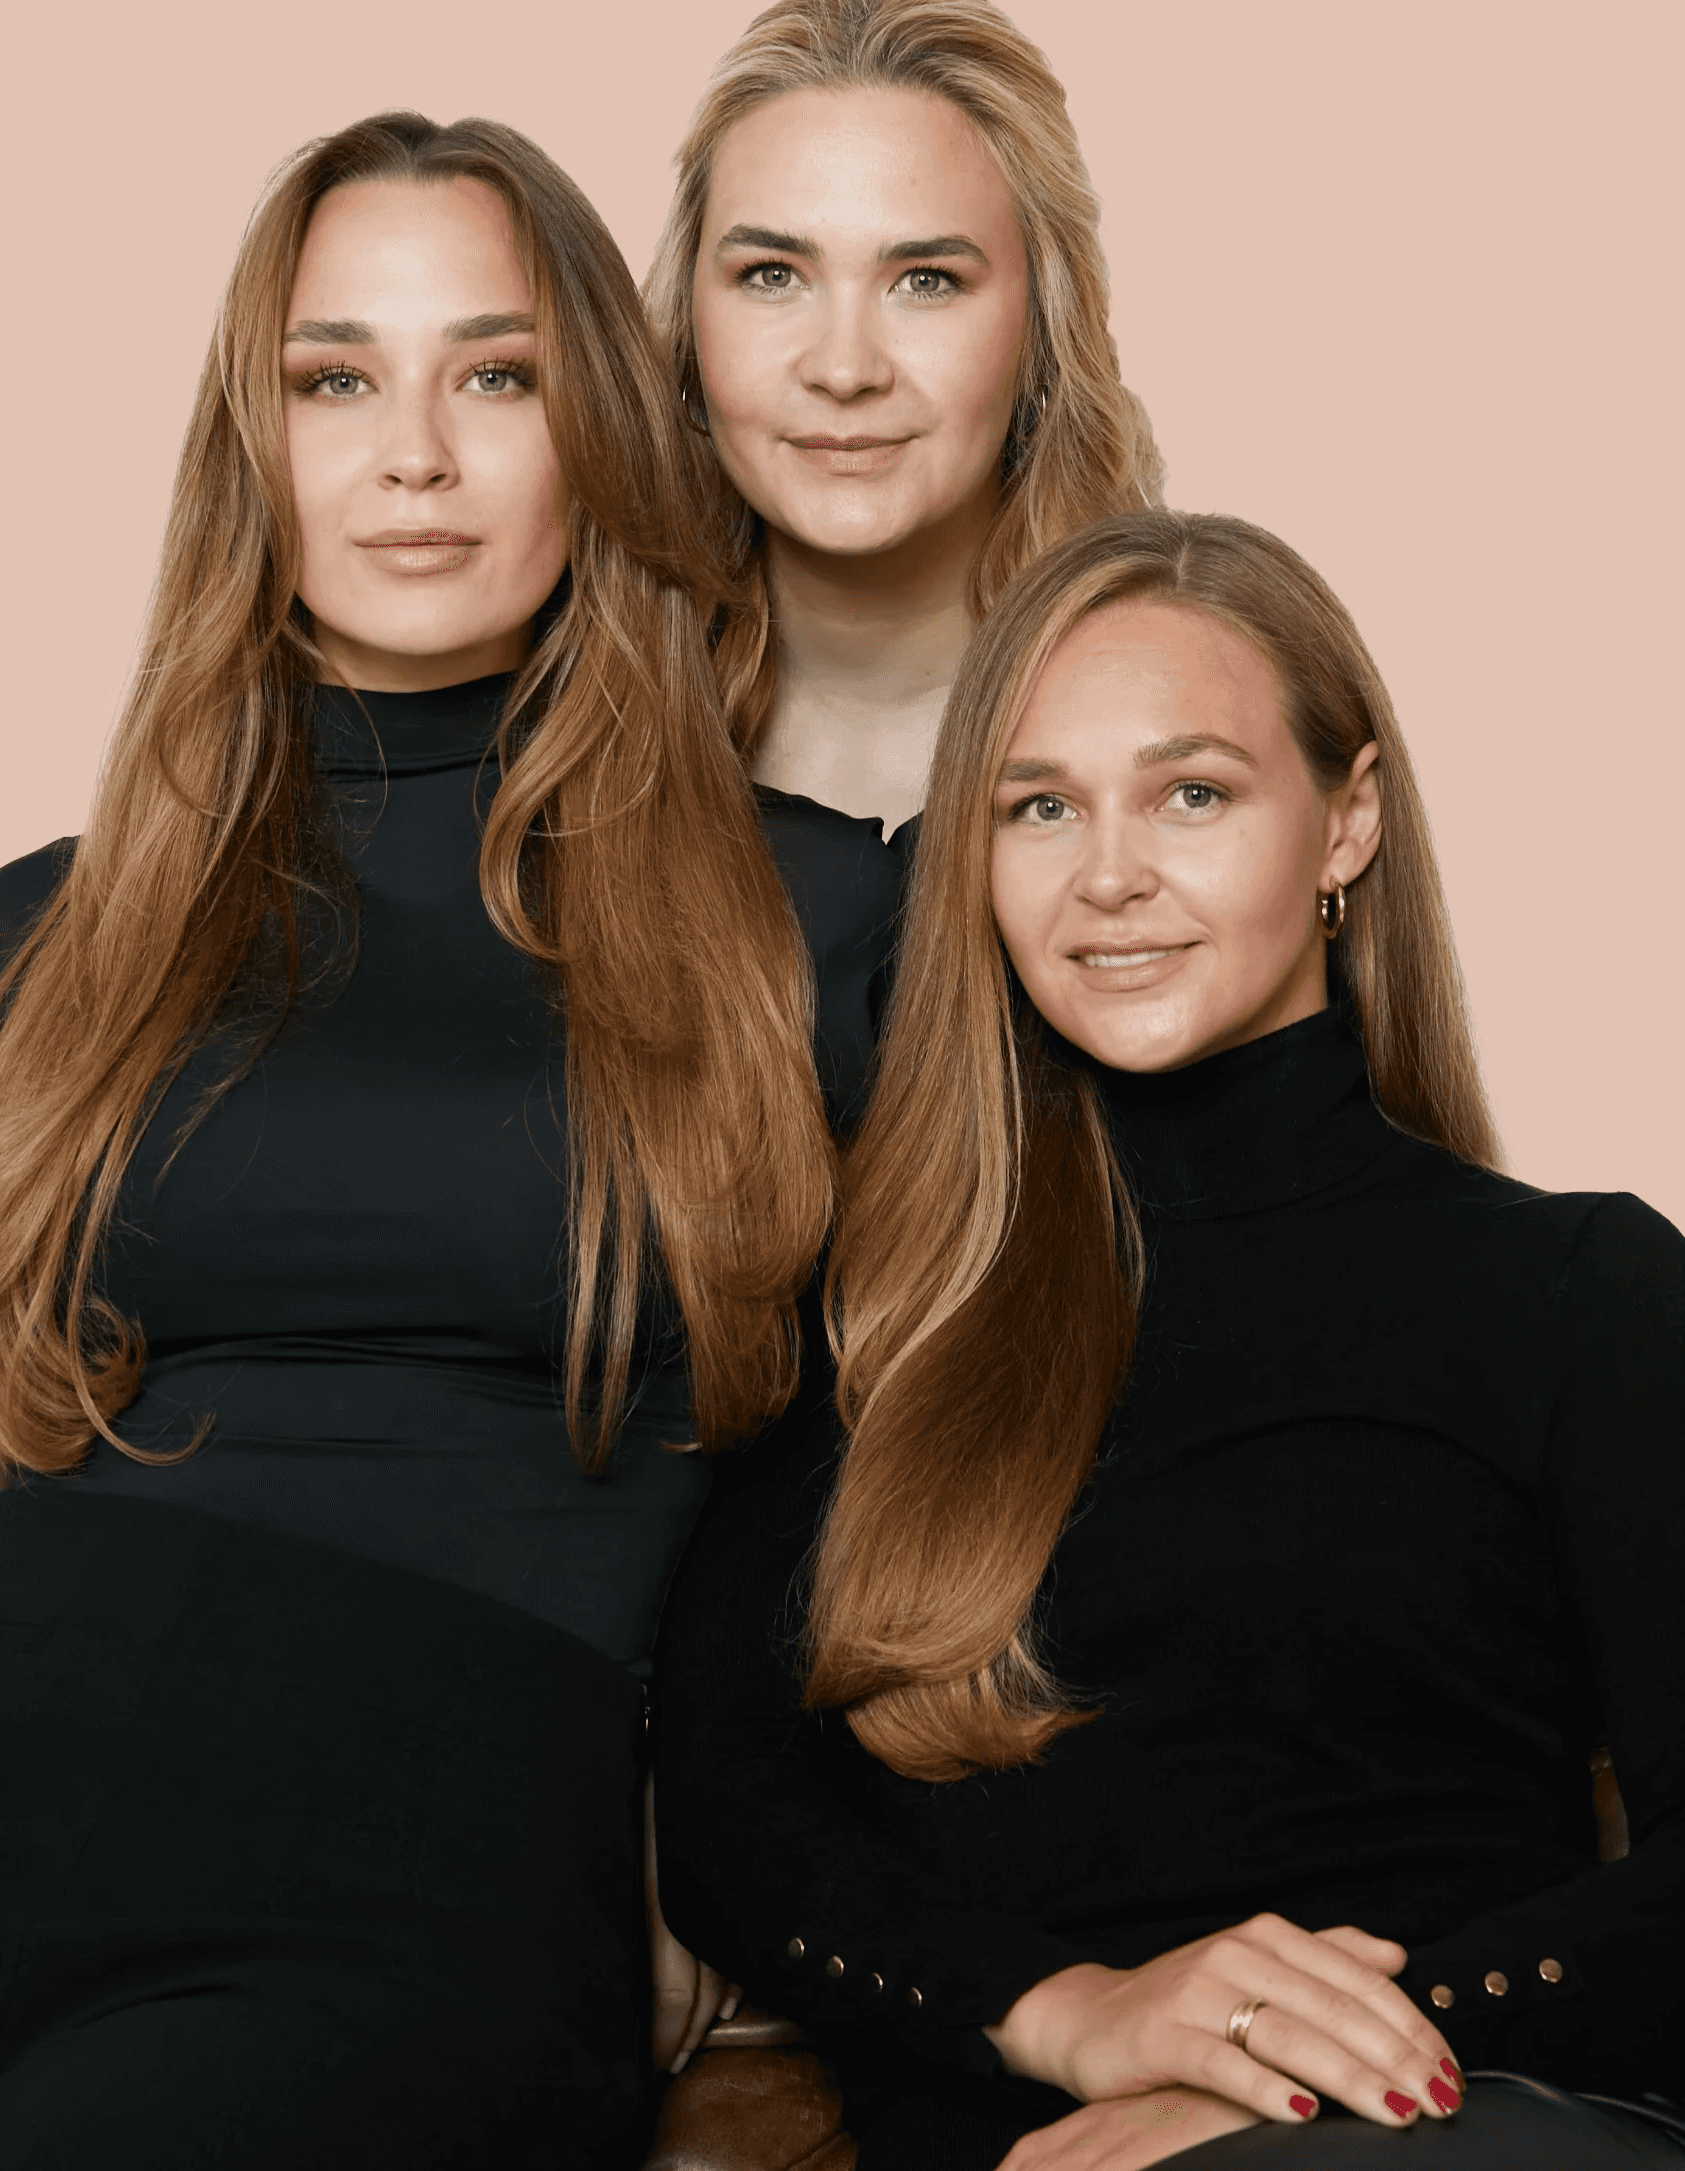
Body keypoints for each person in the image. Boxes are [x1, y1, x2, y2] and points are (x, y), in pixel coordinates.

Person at [0, 112, 837, 2169]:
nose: (411, 454)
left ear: (596, 428)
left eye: (494, 375)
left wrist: (734, 1854)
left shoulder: (810, 922)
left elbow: (909, 1482)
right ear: (254, 441)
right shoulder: (47, 929)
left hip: (424, 1853)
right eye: (334, 379)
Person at [652, 510, 1685, 2170]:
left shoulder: (1579, 1289)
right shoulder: (883, 1320)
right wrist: (1067, 2013)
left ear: (1346, 820)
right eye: (1038, 806)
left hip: (1454, 2121)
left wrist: (1289, 2058)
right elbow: (730, 1814)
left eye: (1190, 793)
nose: (1109, 874)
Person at [645, 0, 1164, 1128]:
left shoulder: (1201, 715)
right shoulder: (555, 739)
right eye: (770, 274)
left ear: (1040, 328)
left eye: (924, 279)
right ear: (685, 325)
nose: (843, 367)